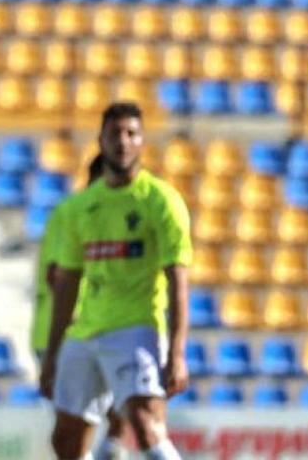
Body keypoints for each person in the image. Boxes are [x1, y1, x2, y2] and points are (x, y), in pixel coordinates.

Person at [39, 102, 192, 460]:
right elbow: (66, 286)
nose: (122, 142)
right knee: (65, 440)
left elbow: (178, 279)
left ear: (142, 141)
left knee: (144, 421)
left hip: (135, 328)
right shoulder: (81, 207)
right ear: (100, 140)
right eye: (115, 134)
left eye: (131, 134)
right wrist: (52, 354)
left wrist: (178, 353)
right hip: (85, 330)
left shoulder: (161, 201)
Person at [32, 154, 129, 460]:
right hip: (68, 334)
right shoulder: (74, 215)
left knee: (115, 415)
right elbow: (58, 275)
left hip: (95, 330)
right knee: (74, 432)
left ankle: (110, 449)